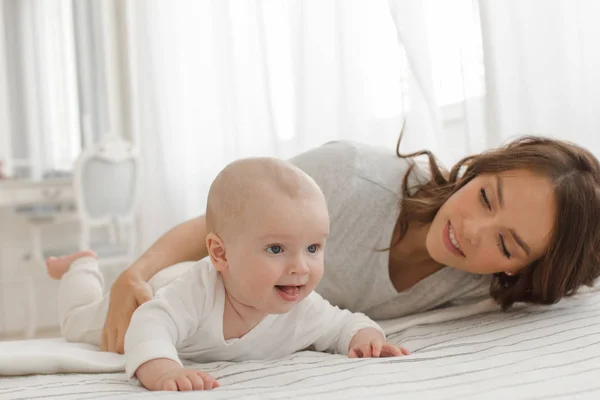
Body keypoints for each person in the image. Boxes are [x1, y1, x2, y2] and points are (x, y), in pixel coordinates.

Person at [100, 134, 600, 354]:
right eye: (487, 197)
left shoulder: (483, 287)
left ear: (521, 270)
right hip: (195, 294)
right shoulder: (351, 177)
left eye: (507, 245)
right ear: (480, 169)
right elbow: (218, 228)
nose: (472, 230)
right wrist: (135, 273)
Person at [47, 157, 407, 392]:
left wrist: (367, 339)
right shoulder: (196, 292)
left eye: (313, 248)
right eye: (276, 249)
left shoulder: (303, 307)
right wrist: (164, 370)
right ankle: (82, 266)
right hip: (150, 294)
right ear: (220, 253)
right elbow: (150, 324)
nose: (300, 267)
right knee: (78, 324)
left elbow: (345, 324)